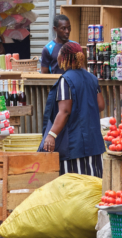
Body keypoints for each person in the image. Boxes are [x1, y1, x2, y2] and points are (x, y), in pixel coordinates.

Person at [41, 42, 105, 176]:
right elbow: (100, 105)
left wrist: (51, 135)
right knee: (93, 184)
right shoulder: (92, 78)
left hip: (74, 143)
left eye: (59, 55)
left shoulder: (66, 79)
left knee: (74, 184)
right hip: (93, 141)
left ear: (64, 58)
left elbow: (64, 111)